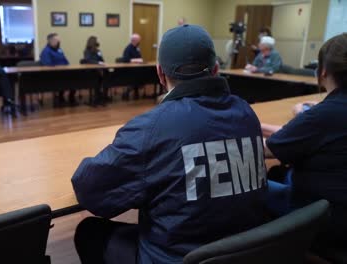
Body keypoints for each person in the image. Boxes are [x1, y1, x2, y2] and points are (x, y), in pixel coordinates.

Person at [72, 25, 268, 264]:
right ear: (216, 69)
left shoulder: (151, 127)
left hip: (177, 258)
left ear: (160, 74)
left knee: (89, 232)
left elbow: (90, 191)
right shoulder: (247, 113)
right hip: (244, 254)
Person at [262, 33, 347, 256]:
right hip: (336, 209)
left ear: (323, 72)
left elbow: (265, 149)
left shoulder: (324, 114)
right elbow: (306, 137)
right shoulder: (326, 115)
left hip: (323, 218)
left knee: (248, 188)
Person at [39, 33, 77, 106]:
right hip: (53, 74)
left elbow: (65, 60)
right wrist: (60, 67)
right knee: (66, 79)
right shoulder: (46, 51)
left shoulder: (59, 49)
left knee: (75, 76)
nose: (59, 42)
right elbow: (47, 65)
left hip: (63, 72)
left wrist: (67, 66)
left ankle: (71, 97)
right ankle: (60, 97)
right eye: (57, 40)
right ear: (51, 41)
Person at [122, 34, 144, 100]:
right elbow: (126, 59)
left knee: (145, 73)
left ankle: (136, 91)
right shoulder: (128, 48)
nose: (139, 42)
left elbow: (140, 57)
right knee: (136, 77)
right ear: (134, 40)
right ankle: (129, 91)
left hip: (137, 69)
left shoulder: (137, 48)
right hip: (129, 70)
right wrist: (136, 60)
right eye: (138, 41)